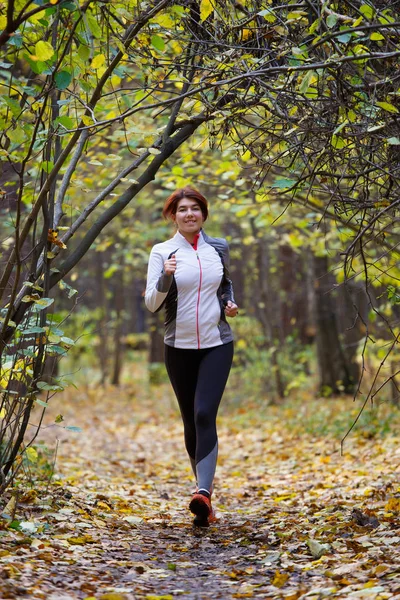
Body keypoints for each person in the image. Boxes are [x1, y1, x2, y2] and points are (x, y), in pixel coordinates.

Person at [145, 186, 238, 526]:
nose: (189, 214)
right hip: (178, 346)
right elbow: (151, 304)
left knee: (203, 415)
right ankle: (205, 502)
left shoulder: (218, 247)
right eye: (182, 209)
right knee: (189, 422)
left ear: (203, 213)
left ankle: (203, 493)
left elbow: (225, 283)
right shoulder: (163, 251)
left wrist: (229, 302)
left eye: (195, 209)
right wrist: (166, 276)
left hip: (217, 343)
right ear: (173, 215)